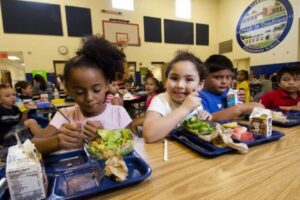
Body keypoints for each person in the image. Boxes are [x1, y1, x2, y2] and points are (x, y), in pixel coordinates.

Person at [36, 35, 132, 152]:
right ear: (68, 90)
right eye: (79, 92)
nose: (89, 98)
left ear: (107, 85)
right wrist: (57, 141)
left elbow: (131, 143)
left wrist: (104, 136)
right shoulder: (65, 115)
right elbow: (30, 147)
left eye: (96, 90)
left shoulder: (118, 113)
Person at [143, 51, 212, 143]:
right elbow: (149, 135)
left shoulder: (195, 101)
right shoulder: (160, 100)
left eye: (189, 79)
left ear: (200, 85)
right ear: (165, 82)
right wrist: (185, 108)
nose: (180, 85)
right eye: (174, 78)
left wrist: (204, 118)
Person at [199, 54, 263, 121]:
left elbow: (237, 116)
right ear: (204, 77)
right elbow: (206, 120)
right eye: (218, 77)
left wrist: (239, 102)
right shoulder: (200, 97)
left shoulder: (229, 92)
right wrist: (240, 108)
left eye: (228, 77)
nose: (224, 82)